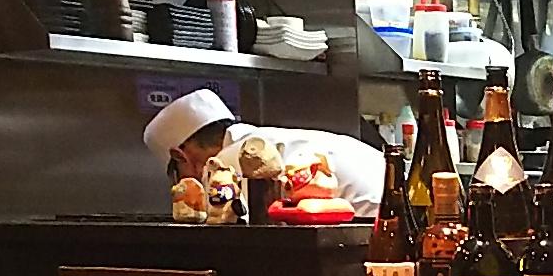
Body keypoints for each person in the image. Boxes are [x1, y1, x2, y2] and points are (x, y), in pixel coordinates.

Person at [142, 89, 386, 217]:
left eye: (177, 176)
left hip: (368, 240)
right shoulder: (267, 139)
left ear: (180, 156)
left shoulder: (227, 165)